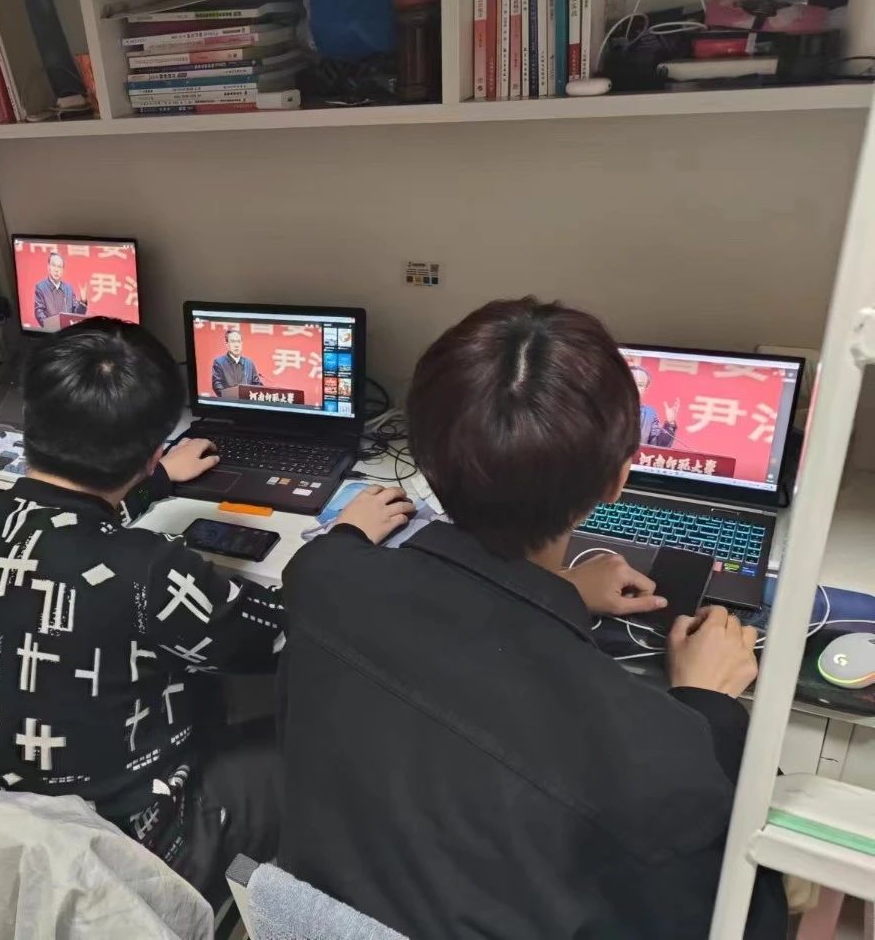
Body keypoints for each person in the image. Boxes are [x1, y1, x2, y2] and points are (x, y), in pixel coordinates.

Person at [276, 299, 787, 939]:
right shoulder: (657, 753)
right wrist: (708, 704)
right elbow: (744, 921)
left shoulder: (325, 581)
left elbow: (324, 560)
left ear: (424, 460)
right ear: (618, 480)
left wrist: (558, 588)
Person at [0, 317, 290, 905]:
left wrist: (155, 482)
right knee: (301, 742)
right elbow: (274, 637)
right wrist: (345, 543)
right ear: (153, 450)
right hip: (130, 857)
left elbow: (66, 530)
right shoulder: (149, 573)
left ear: (30, 419)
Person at [33, 252, 86, 326]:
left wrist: (83, 302)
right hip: (51, 331)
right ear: (48, 267)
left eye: (59, 267)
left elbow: (76, 314)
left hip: (67, 331)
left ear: (63, 270)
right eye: (54, 265)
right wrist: (50, 327)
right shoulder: (41, 287)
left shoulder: (68, 289)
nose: (56, 270)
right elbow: (39, 312)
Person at [633, 365, 679, 447]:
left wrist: (670, 423)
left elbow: (658, 446)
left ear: (645, 390)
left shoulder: (649, 414)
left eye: (640, 385)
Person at [210, 329, 263, 396]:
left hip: (247, 401)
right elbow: (217, 385)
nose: (236, 345)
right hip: (229, 401)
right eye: (233, 341)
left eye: (238, 341)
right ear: (227, 344)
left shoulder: (249, 363)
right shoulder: (219, 362)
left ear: (242, 344)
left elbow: (257, 385)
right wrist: (232, 396)